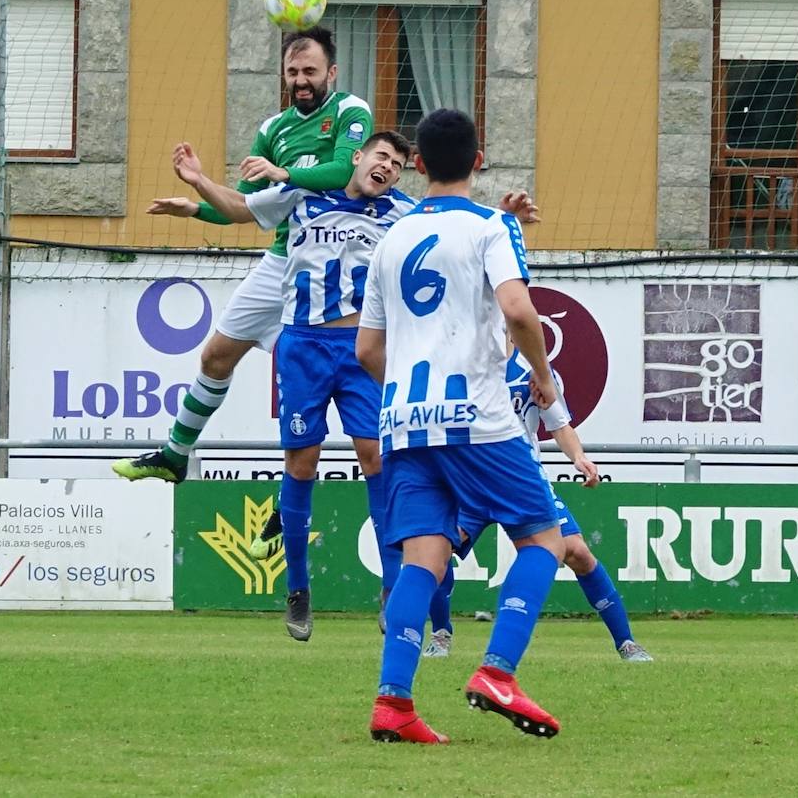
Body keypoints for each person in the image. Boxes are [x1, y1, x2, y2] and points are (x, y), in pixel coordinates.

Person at [357, 108, 565, 744]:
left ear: (416, 165)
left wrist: (412, 383)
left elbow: (367, 349)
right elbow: (518, 309)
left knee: (422, 559)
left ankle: (394, 703)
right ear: (479, 160)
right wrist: (543, 371)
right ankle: (498, 672)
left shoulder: (389, 239)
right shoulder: (493, 225)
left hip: (403, 421)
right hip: (475, 413)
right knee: (543, 539)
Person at [169, 130, 415, 641]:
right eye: (383, 156)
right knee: (302, 462)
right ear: (359, 157)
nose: (389, 168)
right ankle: (298, 592)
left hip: (360, 351)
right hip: (302, 346)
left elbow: (451, 227)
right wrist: (199, 183)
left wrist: (510, 222)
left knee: (376, 457)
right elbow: (240, 208)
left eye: (398, 164)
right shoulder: (301, 196)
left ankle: (392, 590)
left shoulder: (402, 214)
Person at [112, 26, 373, 484]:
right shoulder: (273, 129)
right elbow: (244, 207)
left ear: (331, 72)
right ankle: (175, 455)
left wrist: (283, 172)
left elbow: (345, 173)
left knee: (351, 407)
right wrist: (196, 204)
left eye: (310, 70)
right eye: (292, 72)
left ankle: (305, 510)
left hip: (339, 264)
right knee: (215, 357)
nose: (300, 80)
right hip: (283, 260)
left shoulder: (351, 111)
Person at [436, 348, 653, 662]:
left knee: (577, 551)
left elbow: (559, 423)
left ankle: (627, 643)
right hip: (471, 481)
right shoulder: (461, 360)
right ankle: (441, 634)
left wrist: (578, 456)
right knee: (436, 550)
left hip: (522, 481)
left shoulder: (534, 370)